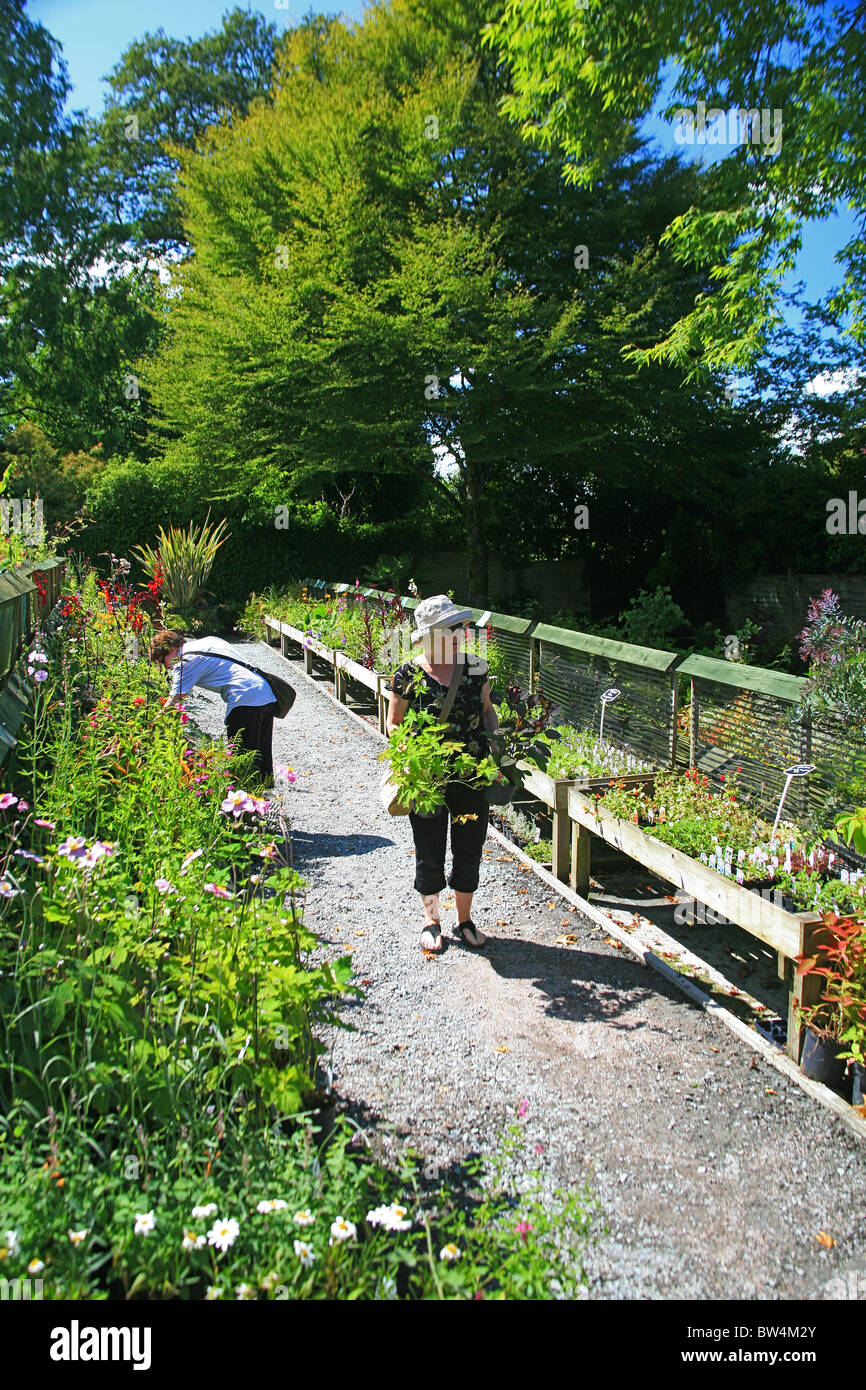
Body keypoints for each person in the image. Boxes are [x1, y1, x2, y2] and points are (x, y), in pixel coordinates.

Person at [386, 594, 499, 954]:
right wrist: (409, 756)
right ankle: (432, 921)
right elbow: (393, 725)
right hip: (428, 778)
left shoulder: (476, 668)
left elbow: (486, 713)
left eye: (461, 627)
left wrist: (496, 744)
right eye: (452, 628)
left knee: (469, 846)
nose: (461, 633)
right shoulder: (407, 674)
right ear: (430, 635)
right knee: (429, 848)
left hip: (470, 775)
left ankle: (464, 920)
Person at [149, 630, 277, 780]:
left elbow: (175, 699)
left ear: (171, 649)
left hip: (244, 698)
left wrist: (153, 724)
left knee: (243, 755)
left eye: (163, 661)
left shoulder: (184, 662)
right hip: (265, 692)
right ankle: (266, 796)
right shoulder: (205, 642)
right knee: (262, 753)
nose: (166, 668)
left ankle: (247, 795)